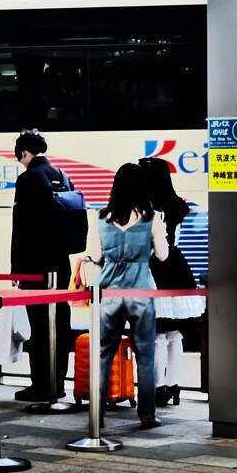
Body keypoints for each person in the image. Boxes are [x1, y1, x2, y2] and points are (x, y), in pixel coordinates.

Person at [91, 163, 167, 429]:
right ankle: (147, 414)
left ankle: (96, 414)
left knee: (102, 353)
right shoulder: (152, 218)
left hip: (109, 290)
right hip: (140, 290)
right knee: (145, 353)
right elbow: (163, 255)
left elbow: (97, 256)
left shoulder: (101, 217)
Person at [10, 129, 75, 402]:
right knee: (60, 324)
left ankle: (41, 385)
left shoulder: (27, 179)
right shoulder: (63, 176)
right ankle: (58, 383)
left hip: (36, 264)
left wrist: (17, 269)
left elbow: (21, 228)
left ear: (24, 152)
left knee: (39, 326)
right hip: (61, 263)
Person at [138, 156, 205, 407]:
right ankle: (173, 385)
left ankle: (157, 389)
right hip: (176, 266)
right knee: (174, 333)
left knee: (156, 333)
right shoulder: (177, 205)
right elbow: (181, 208)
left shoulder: (144, 207)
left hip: (152, 268)